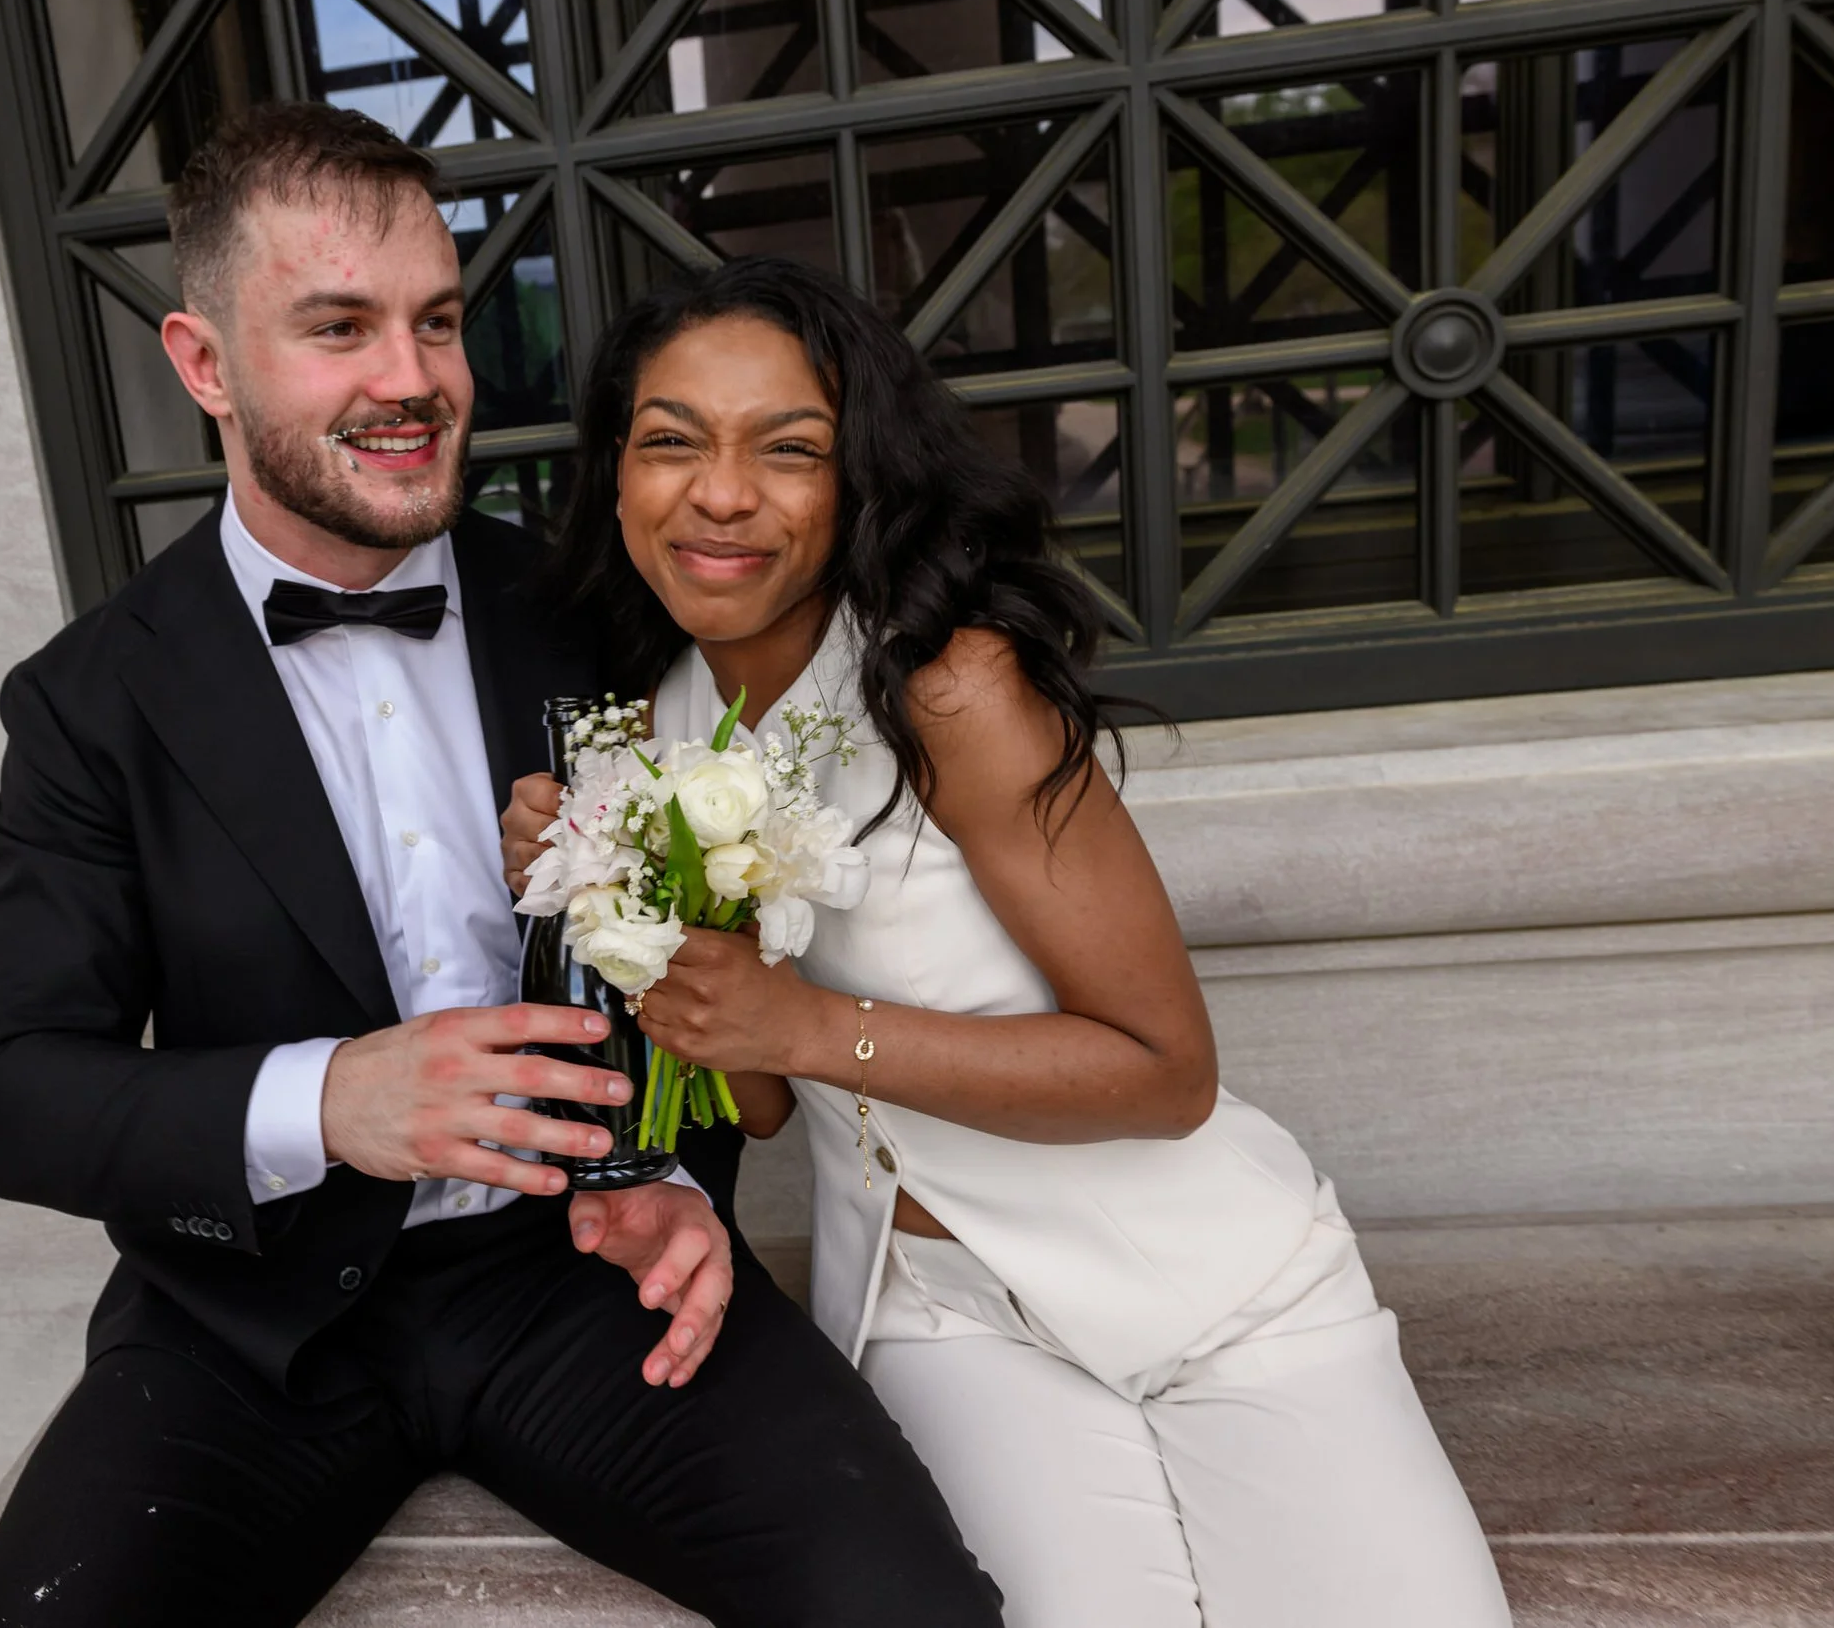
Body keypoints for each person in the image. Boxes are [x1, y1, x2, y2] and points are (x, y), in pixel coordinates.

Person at [0, 105, 1000, 1626]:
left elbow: (702, 932)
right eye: (339, 327)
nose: (413, 379)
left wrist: (675, 1177)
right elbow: (14, 1092)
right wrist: (332, 1097)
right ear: (203, 365)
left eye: (437, 322)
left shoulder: (604, 606)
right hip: (251, 1328)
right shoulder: (88, 698)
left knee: (912, 1611)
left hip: (588, 1271)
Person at [502, 255, 1514, 1628]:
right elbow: (759, 1093)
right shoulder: (662, 719)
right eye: (670, 440)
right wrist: (615, 904)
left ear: (856, 479)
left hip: (1209, 1279)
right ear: (615, 475)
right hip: (931, 1307)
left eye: (786, 450)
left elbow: (1166, 1070)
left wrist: (804, 1019)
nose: (720, 493)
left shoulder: (951, 684)